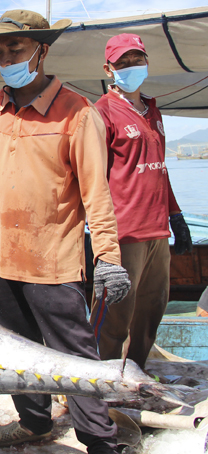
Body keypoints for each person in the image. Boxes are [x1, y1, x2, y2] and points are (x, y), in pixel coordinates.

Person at [0, 10, 131, 454]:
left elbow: (98, 195)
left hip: (54, 261)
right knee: (15, 351)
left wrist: (108, 257)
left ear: (41, 51)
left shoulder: (78, 113)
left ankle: (99, 441)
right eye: (0, 52)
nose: (6, 58)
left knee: (74, 359)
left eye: (15, 49)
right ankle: (34, 422)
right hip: (1, 256)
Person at [88, 34, 193, 373]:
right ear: (109, 68)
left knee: (151, 311)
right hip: (123, 234)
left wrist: (176, 216)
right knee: (112, 317)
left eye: (137, 60)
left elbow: (159, 171)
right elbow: (92, 179)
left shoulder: (153, 111)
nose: (132, 67)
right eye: (123, 62)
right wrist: (99, 240)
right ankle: (98, 382)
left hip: (157, 232)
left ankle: (135, 374)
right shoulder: (101, 113)